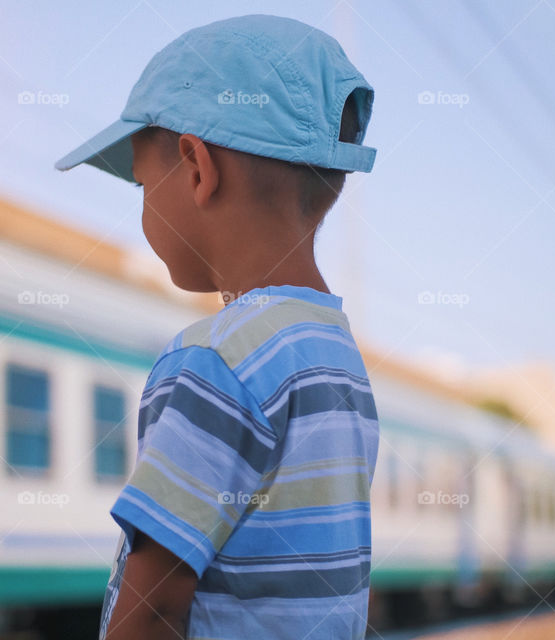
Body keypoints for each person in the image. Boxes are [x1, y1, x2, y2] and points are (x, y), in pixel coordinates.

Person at [55, 13, 381, 640]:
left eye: (143, 185)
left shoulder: (216, 359)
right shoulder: (336, 355)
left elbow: (154, 610)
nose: (143, 207)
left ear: (197, 169)